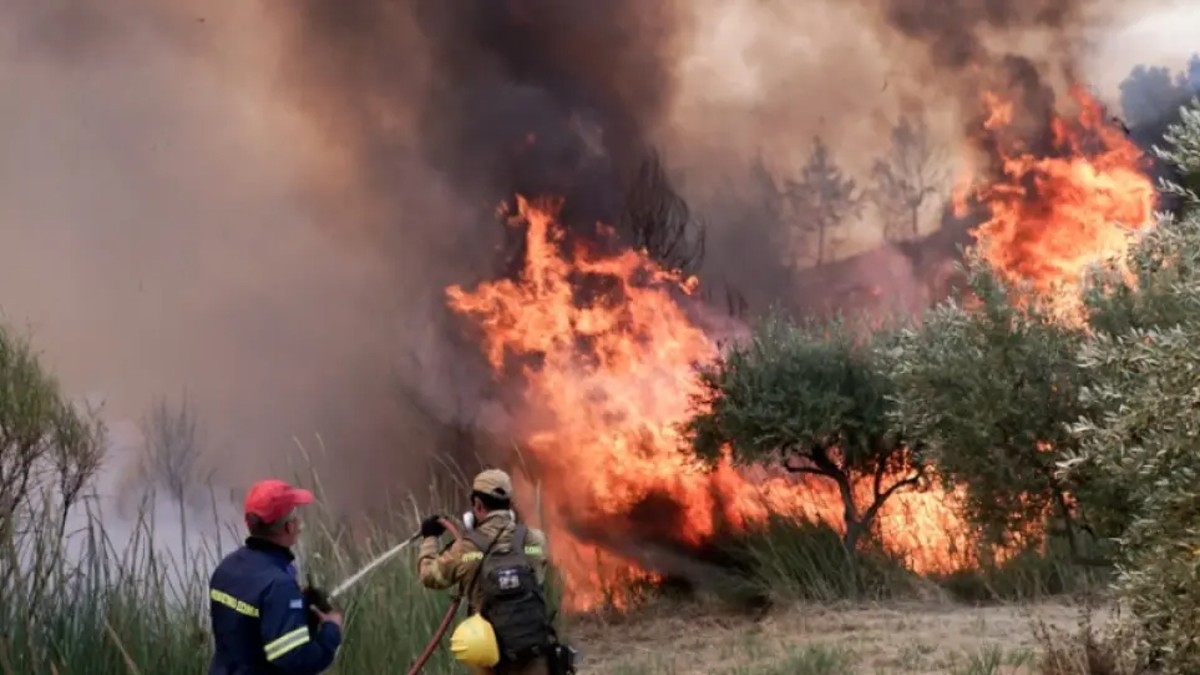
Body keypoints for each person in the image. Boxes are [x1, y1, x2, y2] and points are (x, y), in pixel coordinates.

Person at [417, 469, 556, 675]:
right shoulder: (535, 541)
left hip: (492, 661)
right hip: (535, 655)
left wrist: (430, 539)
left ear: (478, 505)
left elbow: (429, 576)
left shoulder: (466, 549)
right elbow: (538, 562)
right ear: (510, 505)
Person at [208, 478, 344, 675]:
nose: (300, 523)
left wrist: (297, 610)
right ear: (288, 527)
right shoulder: (279, 587)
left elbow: (247, 626)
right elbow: (296, 659)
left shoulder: (227, 567)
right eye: (296, 516)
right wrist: (331, 630)